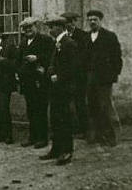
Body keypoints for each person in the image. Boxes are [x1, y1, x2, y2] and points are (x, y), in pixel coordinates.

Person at [40, 15, 78, 166]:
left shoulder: (69, 43)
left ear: (61, 27)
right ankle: (56, 149)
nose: (50, 29)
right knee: (55, 119)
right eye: (49, 27)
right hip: (56, 88)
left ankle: (67, 151)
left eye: (52, 26)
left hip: (64, 88)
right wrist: (50, 71)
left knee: (64, 119)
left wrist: (59, 76)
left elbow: (73, 67)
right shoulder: (57, 43)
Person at [85, 10, 122, 147]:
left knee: (106, 106)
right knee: (92, 106)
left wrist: (113, 75)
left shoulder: (109, 36)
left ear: (100, 20)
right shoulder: (86, 37)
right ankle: (97, 135)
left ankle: (112, 136)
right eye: (90, 19)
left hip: (104, 78)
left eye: (95, 19)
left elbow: (117, 58)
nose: (92, 22)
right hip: (90, 78)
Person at [17, 17, 55, 148]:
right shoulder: (23, 42)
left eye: (30, 27)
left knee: (41, 109)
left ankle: (42, 138)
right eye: (25, 28)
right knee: (31, 110)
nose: (28, 30)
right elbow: (19, 60)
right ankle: (32, 137)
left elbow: (52, 57)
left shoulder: (45, 40)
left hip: (40, 81)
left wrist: (37, 58)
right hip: (27, 81)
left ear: (36, 27)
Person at [62, 11, 89, 138]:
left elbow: (84, 55)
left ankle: (84, 129)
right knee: (67, 102)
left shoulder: (82, 35)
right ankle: (71, 128)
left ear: (74, 22)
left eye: (70, 22)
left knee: (80, 102)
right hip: (66, 74)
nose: (68, 24)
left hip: (78, 75)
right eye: (66, 22)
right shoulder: (62, 37)